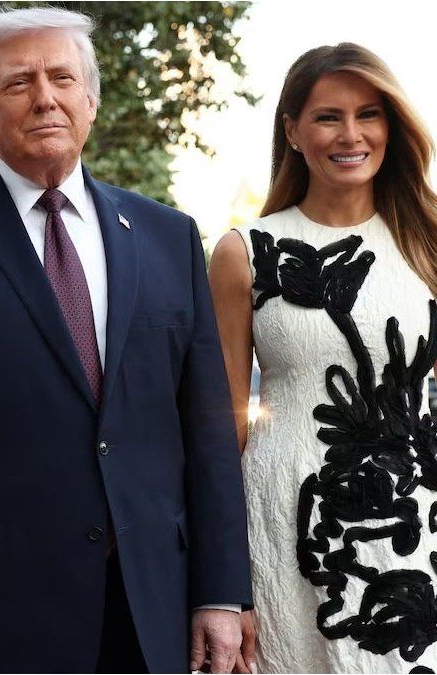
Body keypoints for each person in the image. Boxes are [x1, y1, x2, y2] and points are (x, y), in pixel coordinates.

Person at [0, 7, 253, 673]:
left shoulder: (169, 236)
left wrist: (221, 592)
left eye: (62, 78)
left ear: (90, 100)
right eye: (18, 82)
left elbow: (208, 432)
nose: (45, 97)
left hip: (154, 606)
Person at [210, 43, 437, 673]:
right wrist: (220, 582)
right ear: (292, 130)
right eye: (328, 117)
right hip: (288, 517)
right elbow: (222, 428)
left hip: (416, 517)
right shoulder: (245, 253)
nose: (351, 134)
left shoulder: (428, 242)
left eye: (369, 114)